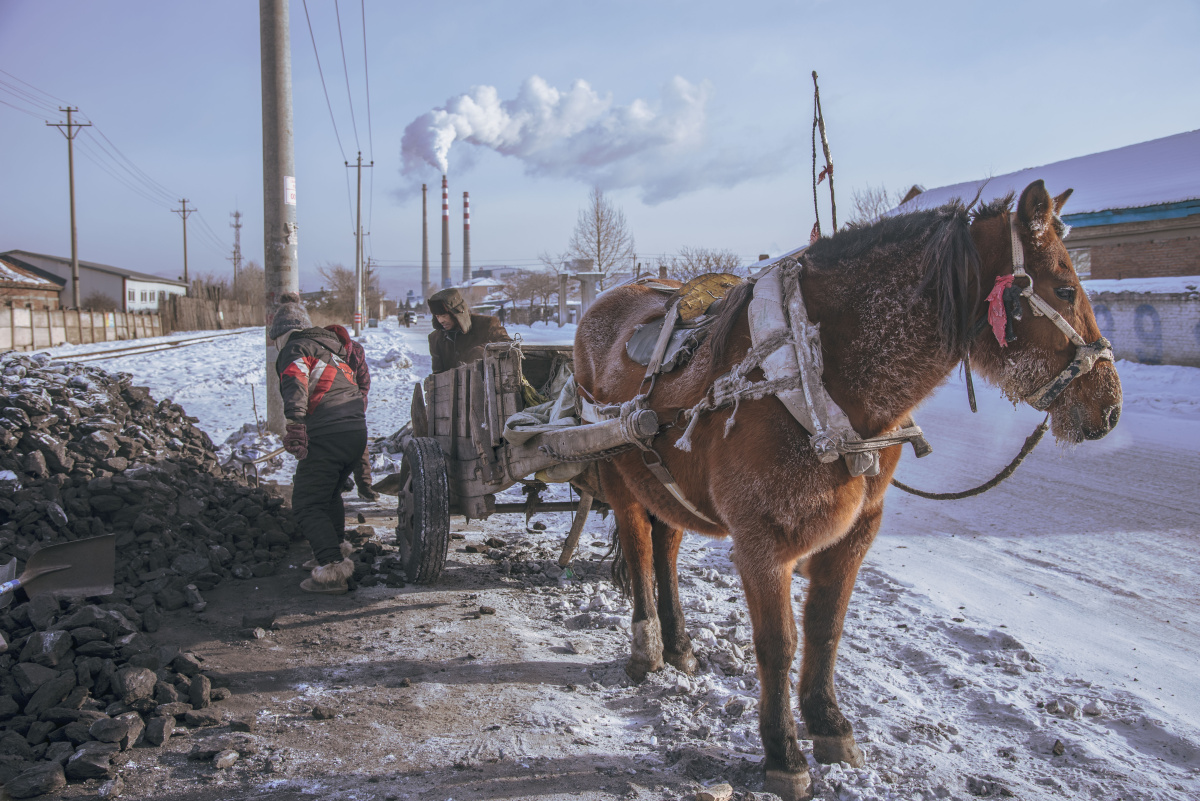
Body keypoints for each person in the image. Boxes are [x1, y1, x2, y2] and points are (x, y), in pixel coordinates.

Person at [269, 294, 365, 594]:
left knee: (307, 504)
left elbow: (295, 382)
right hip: (355, 432)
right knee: (329, 495)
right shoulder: (331, 351)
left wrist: (296, 424)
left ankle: (332, 571)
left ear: (280, 335)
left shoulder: (295, 348)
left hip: (328, 433)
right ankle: (333, 549)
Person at [324, 324, 379, 501]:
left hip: (353, 404)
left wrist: (355, 406)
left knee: (359, 444)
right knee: (327, 447)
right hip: (326, 407)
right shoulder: (317, 353)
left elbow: (364, 383)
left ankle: (365, 487)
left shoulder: (356, 352)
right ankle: (332, 486)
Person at [427, 287, 512, 373]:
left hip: (489, 379)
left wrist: (485, 351)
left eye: (444, 316)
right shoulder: (435, 338)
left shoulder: (487, 324)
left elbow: (510, 346)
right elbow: (438, 374)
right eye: (437, 316)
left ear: (456, 313)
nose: (441, 320)